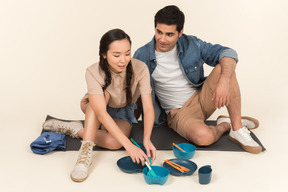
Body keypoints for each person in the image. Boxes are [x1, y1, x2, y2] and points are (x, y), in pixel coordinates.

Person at [133, 5, 262, 154]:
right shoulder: (142, 55)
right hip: (179, 113)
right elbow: (132, 91)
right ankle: (226, 125)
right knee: (204, 138)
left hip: (202, 97)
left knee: (225, 67)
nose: (162, 39)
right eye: (159, 32)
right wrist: (127, 121)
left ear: (180, 32)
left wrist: (224, 81)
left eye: (169, 34)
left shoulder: (192, 44)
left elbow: (229, 53)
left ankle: (237, 128)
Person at [42, 29, 156, 182]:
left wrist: (147, 139)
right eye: (116, 55)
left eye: (127, 53)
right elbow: (101, 112)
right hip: (95, 108)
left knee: (115, 143)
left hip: (122, 111)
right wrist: (129, 146)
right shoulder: (92, 71)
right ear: (104, 54)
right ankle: (84, 154)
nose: (123, 60)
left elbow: (148, 108)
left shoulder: (141, 68)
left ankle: (77, 130)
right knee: (105, 95)